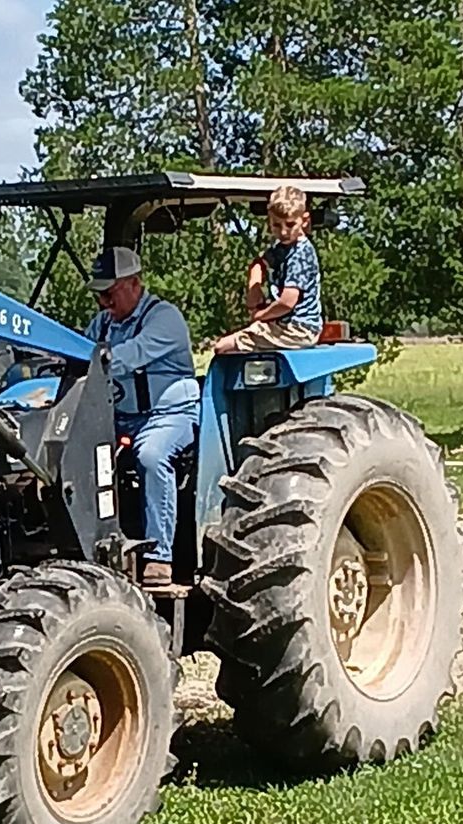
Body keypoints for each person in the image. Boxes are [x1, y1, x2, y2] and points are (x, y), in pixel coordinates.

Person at [85, 246, 199, 588]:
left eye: (109, 293)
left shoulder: (164, 319)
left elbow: (125, 358)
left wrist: (82, 361)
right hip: (122, 417)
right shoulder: (103, 323)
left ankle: (159, 557)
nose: (104, 302)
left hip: (169, 415)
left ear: (134, 284)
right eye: (99, 295)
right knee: (76, 454)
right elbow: (80, 351)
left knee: (150, 455)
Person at [213, 185, 322, 354]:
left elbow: (287, 302)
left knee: (223, 348)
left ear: (304, 220)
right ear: (269, 222)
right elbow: (259, 264)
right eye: (277, 225)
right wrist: (254, 288)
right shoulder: (282, 248)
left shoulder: (300, 253)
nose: (284, 231)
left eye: (290, 224)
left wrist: (260, 315)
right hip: (287, 325)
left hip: (297, 329)